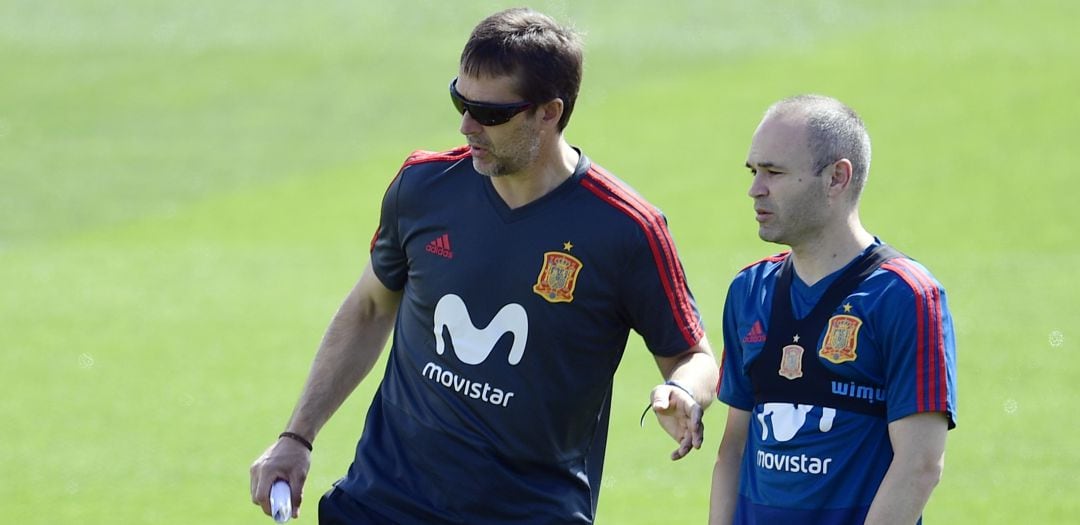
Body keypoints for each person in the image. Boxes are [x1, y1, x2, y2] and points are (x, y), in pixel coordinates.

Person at [249, 8, 719, 524]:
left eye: (489, 113)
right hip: (383, 502)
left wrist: (682, 391)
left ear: (549, 112)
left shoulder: (626, 229)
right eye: (460, 100)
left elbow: (692, 354)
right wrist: (297, 437)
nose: (466, 125)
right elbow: (368, 308)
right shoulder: (424, 187)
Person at [709, 95, 958, 524]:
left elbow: (920, 465)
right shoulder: (750, 291)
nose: (755, 189)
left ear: (837, 178)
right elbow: (734, 447)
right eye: (754, 171)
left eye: (775, 172)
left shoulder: (904, 296)